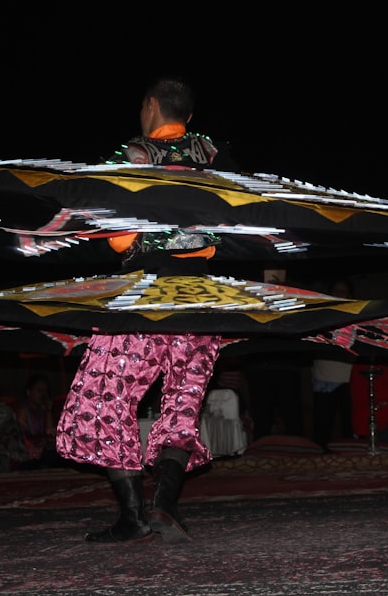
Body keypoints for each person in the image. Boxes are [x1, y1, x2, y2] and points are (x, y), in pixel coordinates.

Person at [56, 74, 236, 544]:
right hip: (201, 298)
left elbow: (117, 234)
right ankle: (165, 504)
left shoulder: (131, 156)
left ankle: (134, 516)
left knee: (101, 398)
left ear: (151, 106)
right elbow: (241, 217)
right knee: (182, 400)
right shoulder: (216, 156)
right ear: (190, 118)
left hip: (145, 297)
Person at [310, 279, 357, 450]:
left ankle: (349, 457)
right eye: (335, 291)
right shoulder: (321, 313)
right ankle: (319, 457)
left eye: (342, 291)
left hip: (348, 377)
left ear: (349, 295)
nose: (338, 294)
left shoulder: (355, 314)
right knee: (323, 423)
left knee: (349, 423)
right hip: (324, 377)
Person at [16, 373, 62, 469]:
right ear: (29, 392)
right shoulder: (23, 411)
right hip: (27, 451)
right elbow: (22, 437)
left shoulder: (43, 410)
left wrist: (48, 412)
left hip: (42, 450)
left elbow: (50, 434)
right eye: (39, 390)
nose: (43, 394)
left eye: (46, 391)